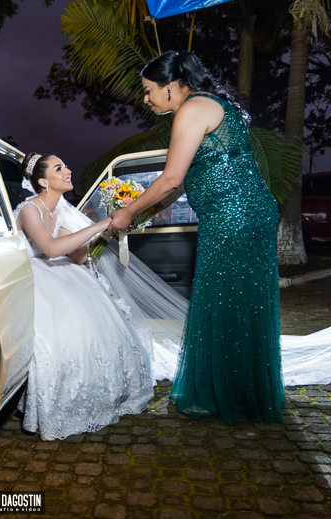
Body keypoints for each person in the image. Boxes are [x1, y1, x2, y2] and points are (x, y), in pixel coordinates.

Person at [107, 51, 284, 425]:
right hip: (246, 214)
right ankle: (237, 390)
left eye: (149, 90)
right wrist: (143, 214)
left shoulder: (191, 109)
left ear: (171, 85)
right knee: (237, 303)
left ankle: (231, 396)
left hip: (234, 217)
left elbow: (170, 179)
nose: (146, 99)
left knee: (225, 303)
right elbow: (182, 183)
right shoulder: (208, 105)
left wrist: (127, 212)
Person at [14, 152, 154, 440]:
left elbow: (78, 257)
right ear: (43, 181)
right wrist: (102, 224)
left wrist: (108, 230)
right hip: (31, 273)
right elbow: (51, 249)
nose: (67, 171)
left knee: (94, 321)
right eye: (59, 168)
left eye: (65, 165)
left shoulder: (59, 211)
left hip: (58, 270)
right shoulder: (29, 209)